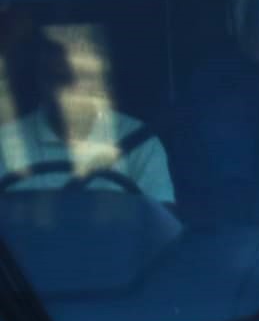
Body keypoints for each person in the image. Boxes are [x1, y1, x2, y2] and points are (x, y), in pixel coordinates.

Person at [0, 34, 174, 206]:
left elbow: (162, 224)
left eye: (82, 77)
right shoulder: (6, 144)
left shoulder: (140, 143)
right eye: (58, 78)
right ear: (40, 82)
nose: (70, 90)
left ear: (103, 83)